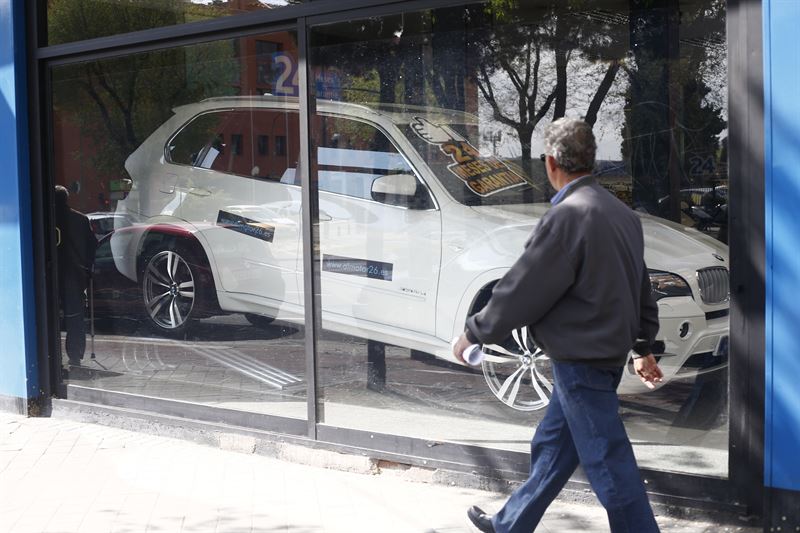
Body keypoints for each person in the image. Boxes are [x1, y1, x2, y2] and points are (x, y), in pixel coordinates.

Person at [453, 118, 664, 533]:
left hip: (580, 359)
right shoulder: (623, 215)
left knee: (609, 464)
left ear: (551, 163)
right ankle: (510, 524)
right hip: (600, 355)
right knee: (554, 447)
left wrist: (475, 332)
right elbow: (641, 288)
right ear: (593, 160)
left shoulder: (568, 216)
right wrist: (642, 346)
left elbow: (522, 288)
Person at [55, 185, 97, 366]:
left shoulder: (43, 219)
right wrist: (86, 268)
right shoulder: (80, 219)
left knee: (49, 316)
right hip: (74, 274)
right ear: (67, 198)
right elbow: (93, 247)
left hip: (50, 275)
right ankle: (75, 354)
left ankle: (51, 354)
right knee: (75, 315)